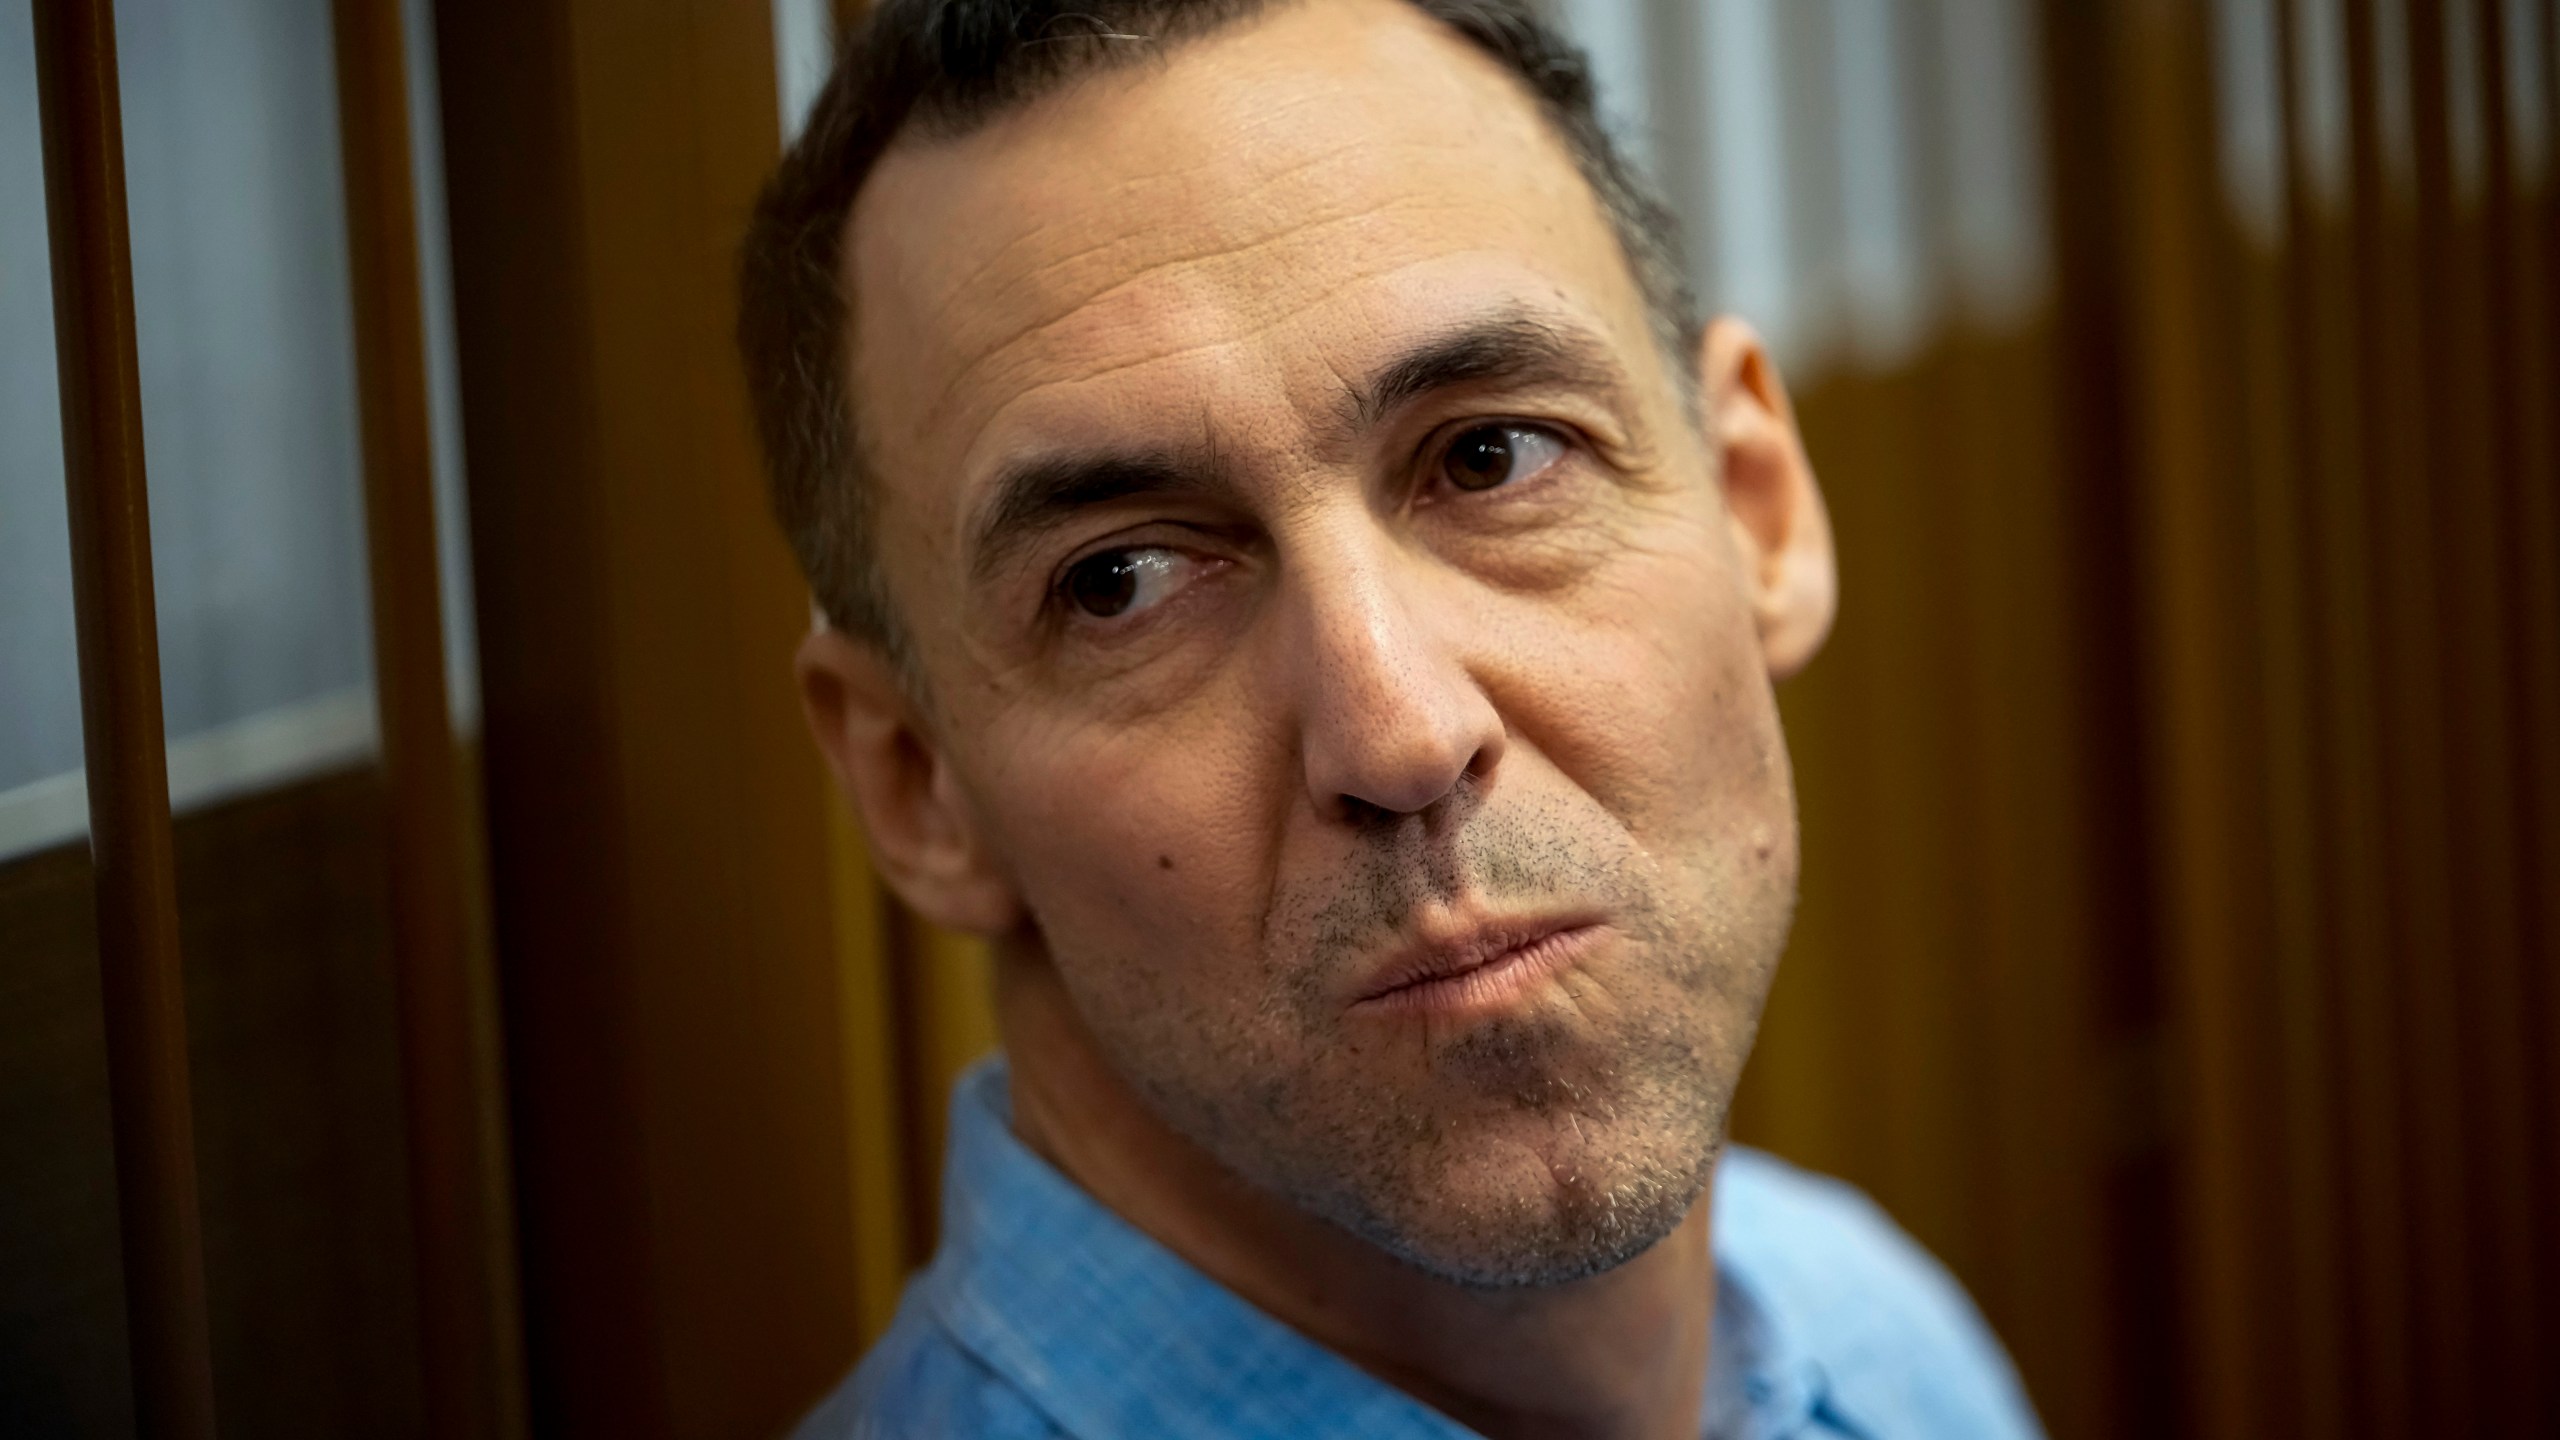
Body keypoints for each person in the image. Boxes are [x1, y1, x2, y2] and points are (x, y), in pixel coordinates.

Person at [740, 1, 2043, 1435]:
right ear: (916, 784)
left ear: (1757, 510)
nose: (1404, 737)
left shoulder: (1872, 1338)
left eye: (1492, 457)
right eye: (1122, 581)